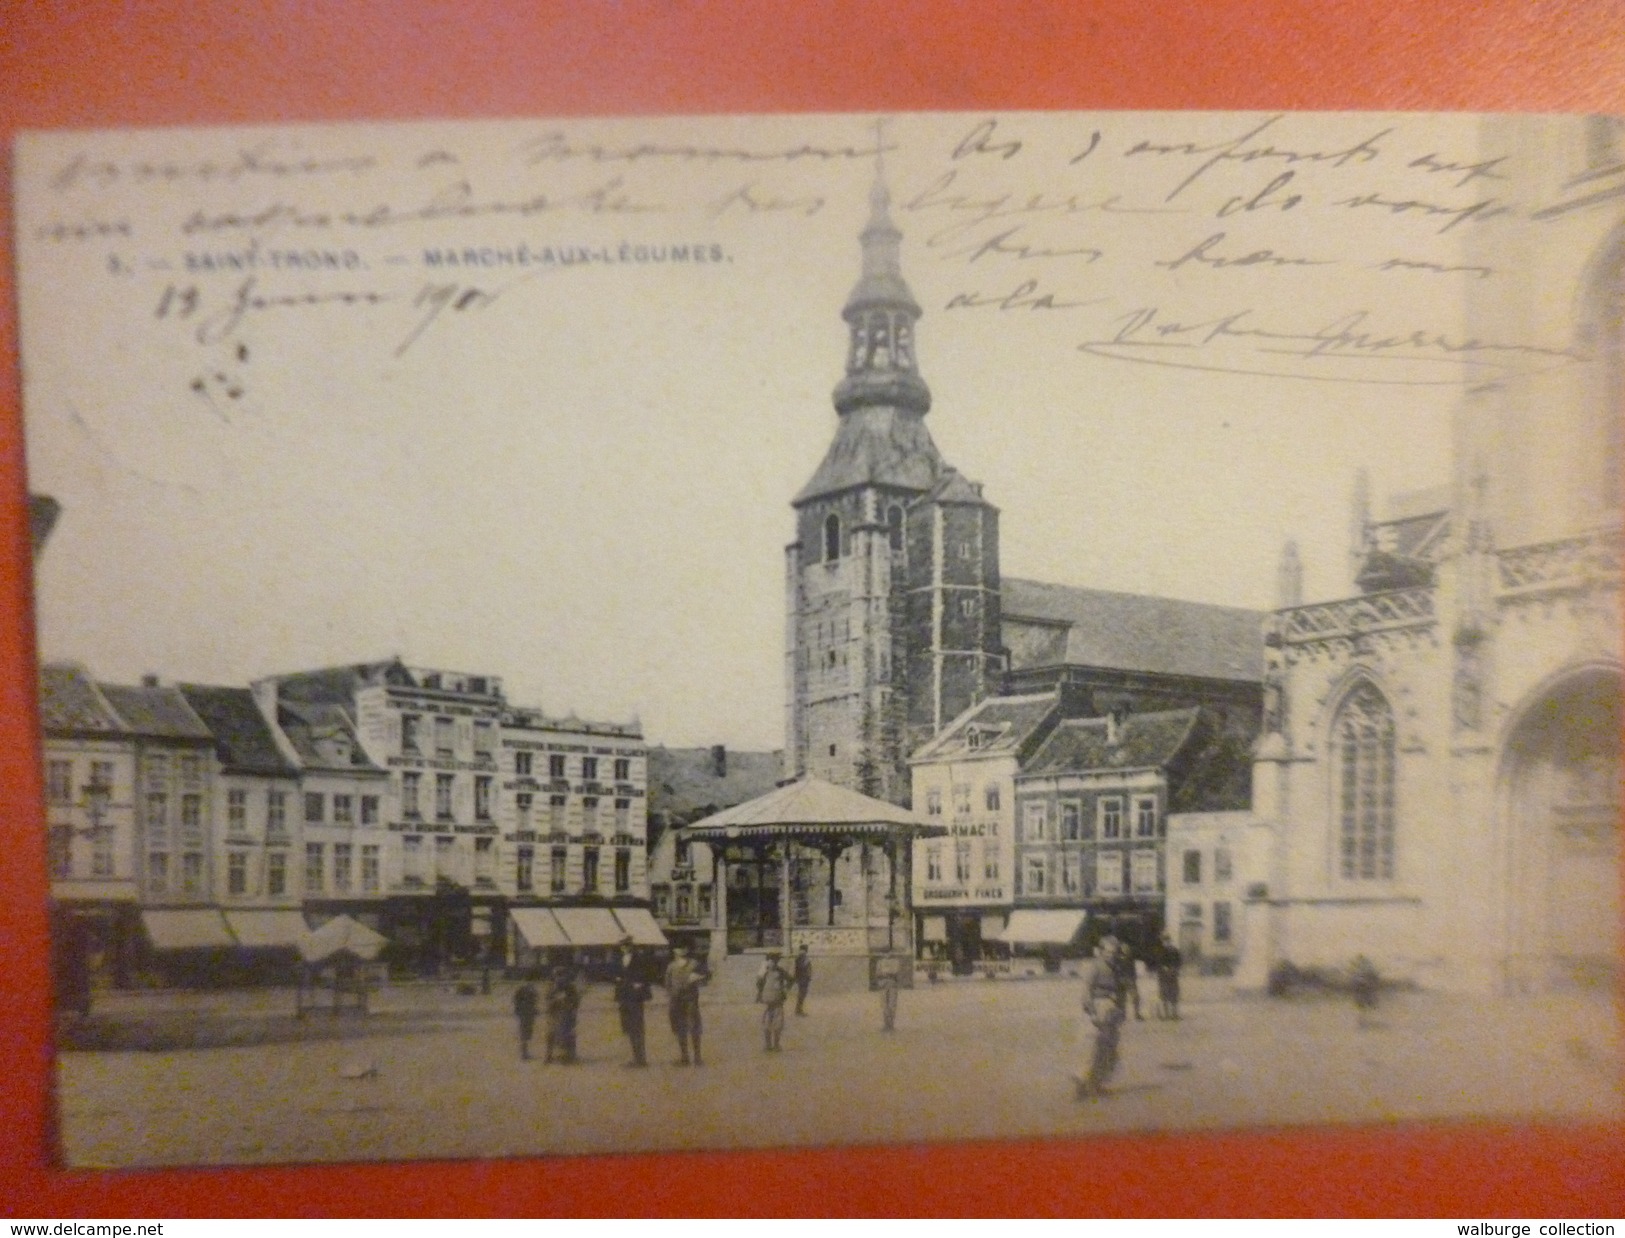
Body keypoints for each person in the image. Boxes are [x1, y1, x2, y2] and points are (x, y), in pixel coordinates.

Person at [1076, 937, 1125, 1101]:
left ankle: (1098, 1084)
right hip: (1097, 1007)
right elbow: (1086, 991)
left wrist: (1120, 1010)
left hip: (1111, 1009)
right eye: (1108, 952)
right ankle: (1082, 1086)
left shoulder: (1116, 967)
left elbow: (1120, 990)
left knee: (1109, 1049)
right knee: (1092, 1049)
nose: (1112, 955)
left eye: (1114, 952)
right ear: (1101, 951)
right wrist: (1092, 1013)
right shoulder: (1094, 966)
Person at [665, 943, 708, 1065]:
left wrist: (698, 978)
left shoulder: (694, 964)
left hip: (690, 1000)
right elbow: (667, 983)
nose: (681, 951)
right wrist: (672, 994)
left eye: (683, 948)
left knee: (694, 1026)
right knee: (680, 1028)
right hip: (676, 1000)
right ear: (674, 951)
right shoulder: (671, 966)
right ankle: (684, 1057)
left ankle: (697, 1057)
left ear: (687, 950)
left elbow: (705, 977)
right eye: (678, 948)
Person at [612, 936, 651, 1067]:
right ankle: (632, 1057)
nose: (624, 948)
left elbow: (646, 975)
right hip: (623, 997)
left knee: (637, 1027)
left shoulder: (640, 959)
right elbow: (615, 974)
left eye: (627, 945)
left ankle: (640, 1059)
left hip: (635, 997)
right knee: (626, 1027)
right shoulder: (618, 959)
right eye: (622, 946)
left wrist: (640, 985)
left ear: (631, 946)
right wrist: (616, 979)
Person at [544, 962, 581, 1064]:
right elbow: (547, 1000)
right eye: (557, 975)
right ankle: (549, 1055)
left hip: (567, 1014)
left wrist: (569, 1004)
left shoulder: (570, 987)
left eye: (562, 975)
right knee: (551, 1034)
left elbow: (576, 1001)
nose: (560, 978)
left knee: (569, 1035)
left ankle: (571, 1055)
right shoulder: (552, 987)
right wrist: (555, 1000)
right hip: (555, 1014)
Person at [756, 950, 792, 1051]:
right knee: (777, 1021)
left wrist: (761, 994)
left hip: (769, 999)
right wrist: (785, 988)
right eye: (773, 960)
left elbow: (758, 983)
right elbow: (790, 979)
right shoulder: (778, 971)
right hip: (776, 999)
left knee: (769, 1021)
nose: (773, 963)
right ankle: (775, 1045)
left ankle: (769, 1045)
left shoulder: (764, 971)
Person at [1113, 934, 1144, 1021]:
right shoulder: (1116, 957)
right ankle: (1122, 1015)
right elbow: (1114, 969)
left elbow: (1133, 969)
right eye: (1123, 946)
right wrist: (1117, 979)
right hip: (1120, 980)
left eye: (1127, 947)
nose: (1125, 948)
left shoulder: (1130, 957)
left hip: (1130, 979)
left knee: (1135, 997)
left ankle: (1137, 1014)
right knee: (1121, 999)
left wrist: (1133, 978)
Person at [512, 971, 540, 1061]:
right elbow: (516, 999)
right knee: (525, 1032)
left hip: (527, 1012)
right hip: (526, 1012)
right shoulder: (527, 989)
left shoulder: (527, 988)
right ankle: (524, 1053)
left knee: (526, 1032)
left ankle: (525, 1052)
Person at [1155, 933, 1182, 1021]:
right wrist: (1165, 968)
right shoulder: (1159, 951)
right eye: (1165, 941)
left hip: (1173, 976)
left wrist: (1176, 969)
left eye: (1168, 941)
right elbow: (1159, 963)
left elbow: (1179, 962)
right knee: (1164, 995)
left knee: (1174, 995)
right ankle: (1166, 1014)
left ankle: (1174, 1014)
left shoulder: (1175, 950)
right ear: (1162, 942)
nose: (1166, 943)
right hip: (1163, 977)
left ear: (1170, 941)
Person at [874, 953, 902, 1032]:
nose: (888, 955)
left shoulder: (895, 962)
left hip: (892, 984)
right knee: (884, 1005)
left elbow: (896, 972)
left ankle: (890, 1024)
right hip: (884, 984)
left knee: (892, 1004)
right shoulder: (880, 962)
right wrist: (888, 973)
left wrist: (886, 973)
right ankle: (887, 1024)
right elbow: (878, 973)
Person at [1350, 954, 1380, 1028]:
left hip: (1364, 993)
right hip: (1362, 993)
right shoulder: (1358, 972)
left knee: (1366, 1007)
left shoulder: (1358, 972)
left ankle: (1365, 1021)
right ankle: (1364, 1021)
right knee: (1364, 1007)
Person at [793, 944, 813, 1016]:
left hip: (801, 978)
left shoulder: (799, 957)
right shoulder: (803, 958)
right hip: (803, 978)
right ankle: (799, 1010)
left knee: (801, 994)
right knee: (802, 994)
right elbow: (803, 967)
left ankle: (798, 1009)